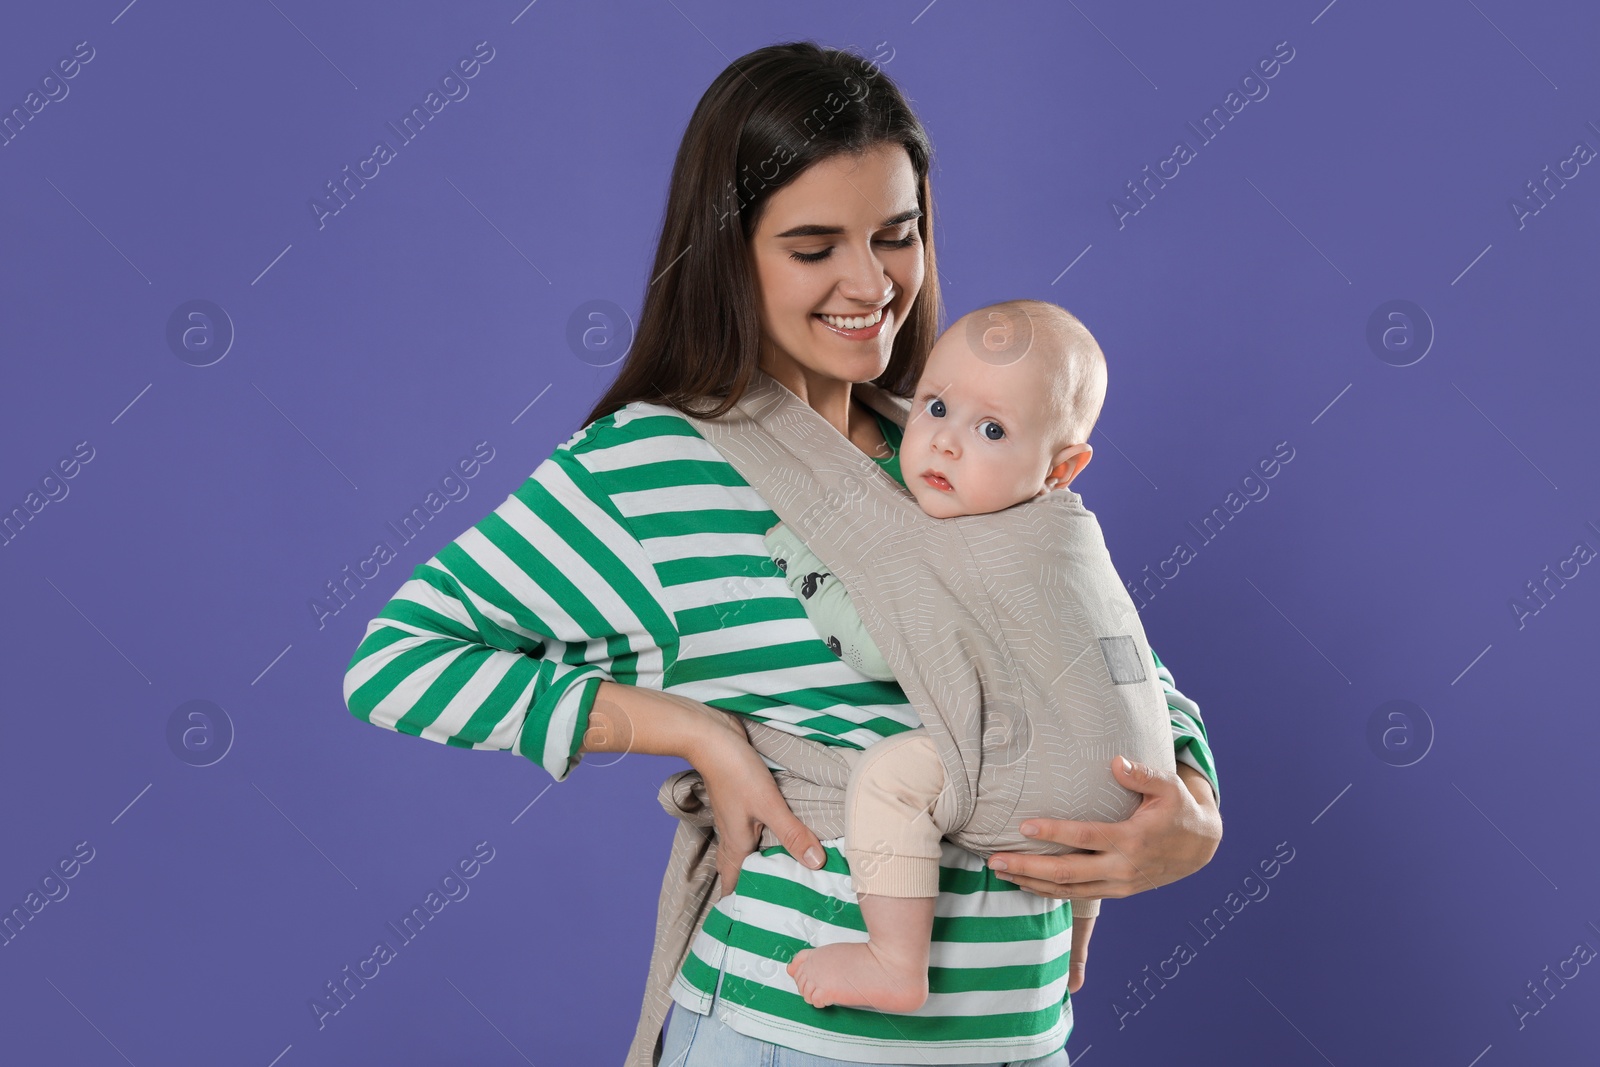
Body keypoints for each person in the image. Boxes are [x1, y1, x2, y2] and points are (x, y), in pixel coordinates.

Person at [342, 41, 1221, 1067]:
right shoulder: (652, 467)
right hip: (796, 1031)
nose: (870, 283)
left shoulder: (953, 451)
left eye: (898, 236)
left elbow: (1107, 661)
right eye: (813, 247)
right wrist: (698, 731)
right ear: (727, 250)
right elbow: (395, 662)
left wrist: (1188, 807)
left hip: (1017, 1035)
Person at [767, 297, 1163, 1013]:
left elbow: (886, 647)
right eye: (935, 406)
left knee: (890, 782)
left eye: (990, 429)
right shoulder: (1069, 537)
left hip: (1046, 780)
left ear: (1061, 467)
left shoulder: (973, 545)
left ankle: (892, 960)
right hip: (1131, 777)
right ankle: (1073, 942)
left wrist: (807, 566)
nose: (945, 443)